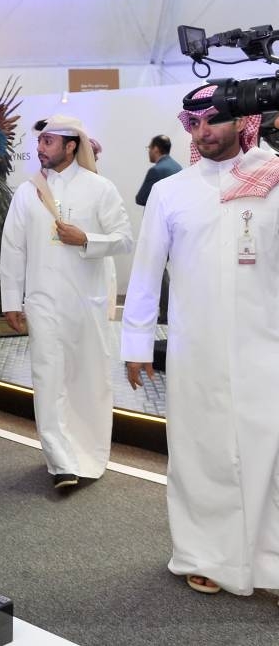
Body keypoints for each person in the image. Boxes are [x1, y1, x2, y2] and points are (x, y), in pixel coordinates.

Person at [122, 83, 279, 597]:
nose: (202, 132)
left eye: (213, 120)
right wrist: (137, 345)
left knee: (268, 452)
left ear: (245, 120)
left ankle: (269, 560)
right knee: (200, 452)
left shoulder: (275, 179)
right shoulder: (173, 191)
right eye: (193, 124)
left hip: (267, 343)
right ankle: (203, 554)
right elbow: (145, 275)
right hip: (197, 348)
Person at [0, 114, 133, 489]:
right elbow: (13, 247)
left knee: (89, 378)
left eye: (48, 142)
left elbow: (124, 239)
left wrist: (87, 239)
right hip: (42, 303)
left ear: (71, 146)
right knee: (48, 378)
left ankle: (89, 453)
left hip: (86, 303)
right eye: (40, 142)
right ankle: (60, 462)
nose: (40, 148)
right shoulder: (29, 192)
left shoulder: (100, 188)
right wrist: (12, 300)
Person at [135, 135, 182, 207]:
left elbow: (141, 199)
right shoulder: (178, 167)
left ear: (156, 149)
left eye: (150, 148)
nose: (149, 151)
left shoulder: (155, 171)